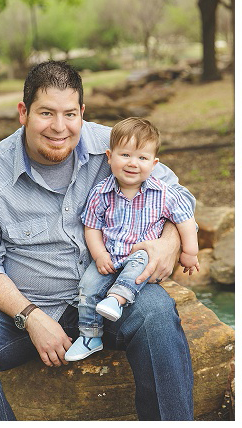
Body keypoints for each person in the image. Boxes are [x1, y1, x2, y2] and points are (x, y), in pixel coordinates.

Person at [0, 60, 194, 420]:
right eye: (46, 113)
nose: (59, 128)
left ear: (82, 113)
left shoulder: (116, 147)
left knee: (157, 314)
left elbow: (175, 193)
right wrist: (30, 317)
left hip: (113, 292)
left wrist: (170, 242)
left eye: (69, 114)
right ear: (23, 113)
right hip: (26, 301)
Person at [65, 117, 199, 361]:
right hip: (110, 257)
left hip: (142, 254)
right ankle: (89, 336)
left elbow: (185, 219)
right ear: (109, 156)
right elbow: (91, 228)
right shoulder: (101, 193)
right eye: (125, 155)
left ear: (154, 163)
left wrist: (189, 252)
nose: (132, 163)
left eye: (142, 158)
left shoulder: (163, 193)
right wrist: (99, 255)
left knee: (139, 263)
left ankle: (117, 299)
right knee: (88, 286)